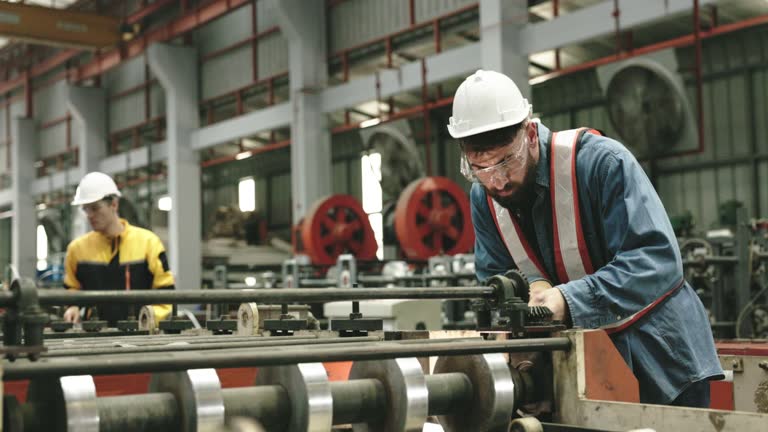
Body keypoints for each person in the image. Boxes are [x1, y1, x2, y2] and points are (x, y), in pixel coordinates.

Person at [448, 69, 723, 407]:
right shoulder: (484, 199)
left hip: (661, 365)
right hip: (575, 375)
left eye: (507, 161)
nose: (498, 181)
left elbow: (656, 260)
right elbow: (496, 283)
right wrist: (527, 288)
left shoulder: (602, 163)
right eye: (481, 168)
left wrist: (567, 300)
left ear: (531, 134)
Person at [63, 171, 173, 326]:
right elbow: (71, 289)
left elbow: (166, 294)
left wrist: (151, 318)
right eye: (85, 209)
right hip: (93, 337)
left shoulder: (148, 243)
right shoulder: (77, 249)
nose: (89, 215)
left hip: (140, 337)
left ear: (114, 204)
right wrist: (72, 307)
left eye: (95, 208)